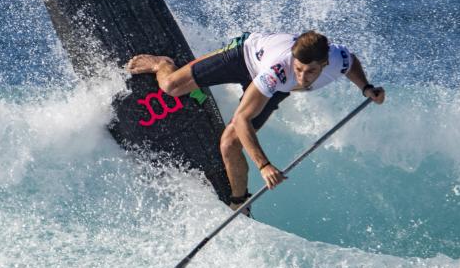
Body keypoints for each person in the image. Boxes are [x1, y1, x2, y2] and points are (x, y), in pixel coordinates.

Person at [127, 30, 385, 214]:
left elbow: (351, 63)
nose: (303, 77)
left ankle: (239, 202)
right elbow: (242, 119)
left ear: (325, 63)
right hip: (244, 56)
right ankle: (162, 62)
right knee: (171, 86)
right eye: (299, 69)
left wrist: (366, 88)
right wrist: (264, 165)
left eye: (311, 71)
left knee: (228, 144)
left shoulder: (337, 59)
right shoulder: (279, 71)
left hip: (273, 87)